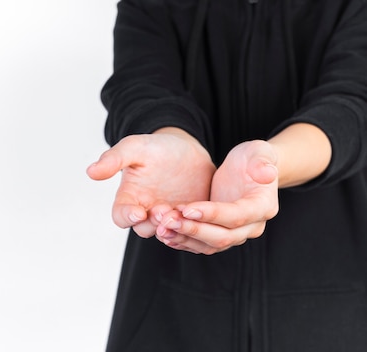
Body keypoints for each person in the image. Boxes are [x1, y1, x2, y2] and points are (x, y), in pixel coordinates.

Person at [87, 0, 367, 351]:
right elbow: (140, 85)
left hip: (339, 309)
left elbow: (354, 103)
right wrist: (169, 138)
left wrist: (266, 166)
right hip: (166, 310)